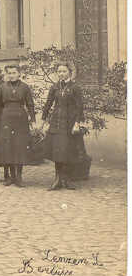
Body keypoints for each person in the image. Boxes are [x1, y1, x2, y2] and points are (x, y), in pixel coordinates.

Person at [42, 63, 86, 191]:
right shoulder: (55, 87)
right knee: (57, 150)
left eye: (64, 71)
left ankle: (66, 179)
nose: (61, 73)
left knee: (67, 150)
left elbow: (79, 107)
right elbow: (48, 103)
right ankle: (57, 179)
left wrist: (77, 123)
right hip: (56, 122)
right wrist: (44, 120)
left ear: (69, 72)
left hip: (69, 123)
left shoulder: (75, 87)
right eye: (59, 71)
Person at [0, 64, 35, 187]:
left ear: (19, 73)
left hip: (21, 118)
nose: (11, 75)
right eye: (9, 73)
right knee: (8, 146)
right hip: (6, 118)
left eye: (14, 73)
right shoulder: (2, 87)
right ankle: (11, 176)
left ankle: (19, 176)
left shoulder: (25, 87)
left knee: (19, 146)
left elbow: (30, 104)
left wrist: (33, 120)